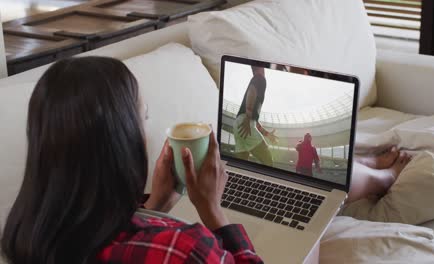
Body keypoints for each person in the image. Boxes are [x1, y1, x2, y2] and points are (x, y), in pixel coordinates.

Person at [0, 57, 263, 264]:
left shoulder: (24, 236)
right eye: (143, 117)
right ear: (122, 140)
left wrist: (154, 206)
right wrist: (213, 210)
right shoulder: (185, 249)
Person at [234, 66, 278, 166]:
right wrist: (248, 117)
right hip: (246, 123)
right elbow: (252, 90)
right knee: (269, 163)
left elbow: (255, 122)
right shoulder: (260, 78)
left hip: (238, 125)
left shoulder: (256, 79)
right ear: (261, 67)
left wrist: (267, 134)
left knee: (242, 168)